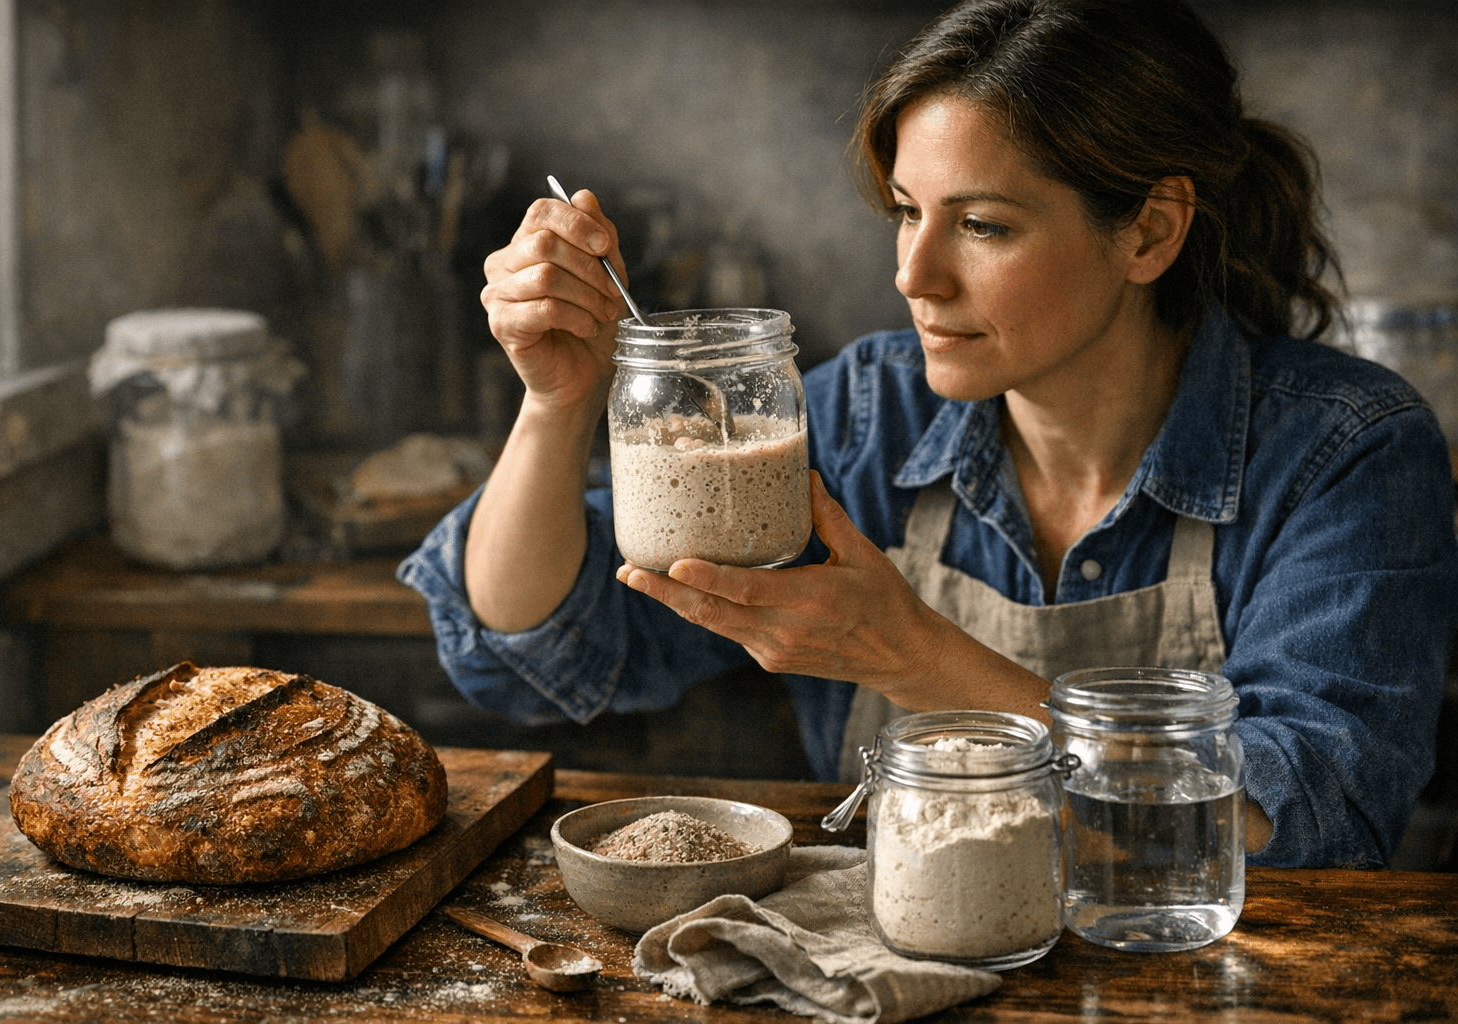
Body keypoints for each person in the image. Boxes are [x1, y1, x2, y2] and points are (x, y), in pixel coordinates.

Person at [398, 0, 1458, 869]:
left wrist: (913, 657)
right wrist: (559, 400)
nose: (914, 275)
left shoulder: (1347, 453)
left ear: (1150, 229)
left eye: (984, 225)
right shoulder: (869, 411)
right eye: (908, 211)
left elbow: (1307, 828)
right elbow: (539, 646)